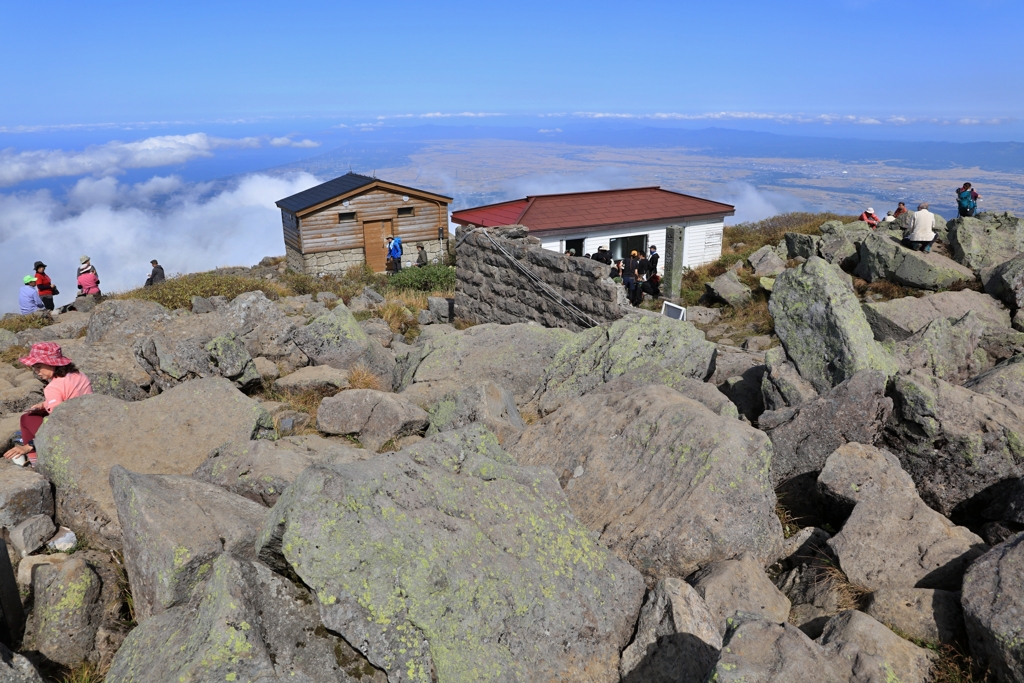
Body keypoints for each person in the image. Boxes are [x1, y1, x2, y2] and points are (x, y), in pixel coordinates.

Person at [3, 343, 92, 466]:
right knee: (36, 414)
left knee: (27, 418)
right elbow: (72, 397)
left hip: (71, 434)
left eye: (39, 367)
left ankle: (34, 459)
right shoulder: (78, 375)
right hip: (88, 421)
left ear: (52, 364)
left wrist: (29, 446)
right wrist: (45, 404)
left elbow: (58, 423)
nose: (36, 371)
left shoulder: (53, 388)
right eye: (34, 367)